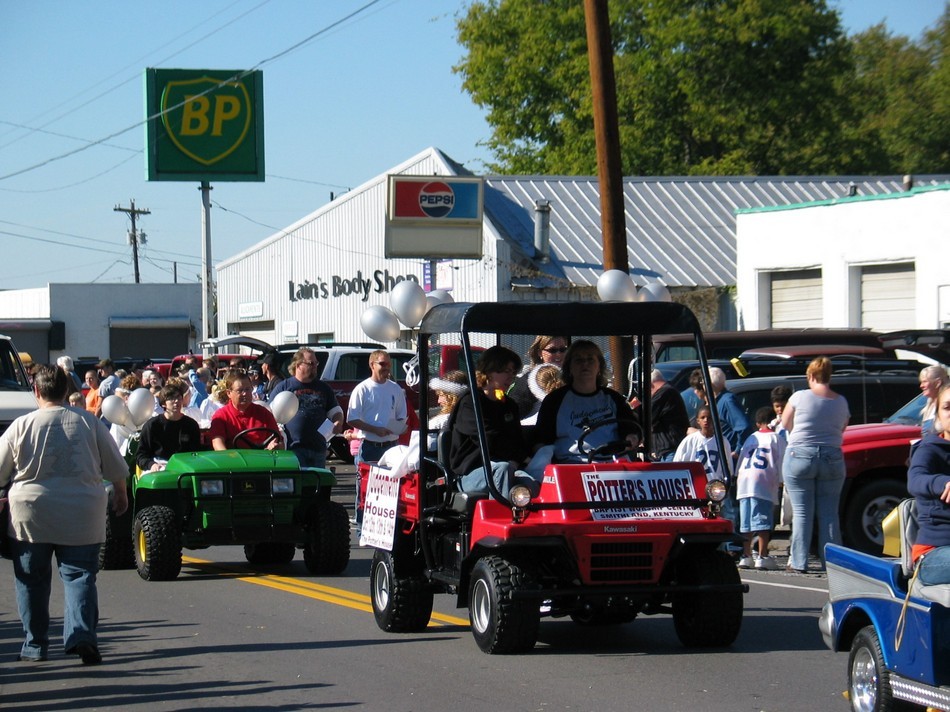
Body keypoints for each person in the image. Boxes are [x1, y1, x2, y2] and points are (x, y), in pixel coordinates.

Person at [0, 365, 129, 664]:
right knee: (80, 576)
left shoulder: (21, 425)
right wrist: (120, 493)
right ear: (67, 389)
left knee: (31, 580)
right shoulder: (89, 422)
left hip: (31, 515)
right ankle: (82, 636)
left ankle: (34, 645)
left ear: (36, 391)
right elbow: (114, 465)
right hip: (82, 511)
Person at [781, 356, 850, 574]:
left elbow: (785, 423)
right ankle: (832, 563)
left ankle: (799, 562)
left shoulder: (799, 397)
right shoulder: (841, 401)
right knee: (829, 513)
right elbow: (842, 428)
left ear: (810, 375)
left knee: (802, 513)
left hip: (800, 454)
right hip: (832, 456)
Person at [532, 340, 640, 470]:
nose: (585, 364)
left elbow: (632, 428)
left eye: (590, 359)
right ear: (569, 367)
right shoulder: (554, 401)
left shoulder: (613, 398)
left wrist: (632, 437)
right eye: (578, 360)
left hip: (613, 465)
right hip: (570, 467)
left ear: (599, 366)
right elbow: (540, 440)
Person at [448, 346, 537, 497]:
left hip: (507, 467)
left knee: (533, 485)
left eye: (513, 372)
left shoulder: (509, 405)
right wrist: (520, 458)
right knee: (502, 469)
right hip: (470, 474)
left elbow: (517, 440)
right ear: (488, 371)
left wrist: (518, 459)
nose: (511, 377)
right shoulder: (470, 403)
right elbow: (488, 438)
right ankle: (501, 518)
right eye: (506, 371)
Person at [346, 350, 409, 529]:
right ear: (372, 365)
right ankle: (362, 530)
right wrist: (375, 429)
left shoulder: (395, 389)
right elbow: (352, 418)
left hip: (391, 446)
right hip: (370, 446)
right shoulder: (363, 389)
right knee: (366, 491)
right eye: (382, 364)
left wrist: (395, 426)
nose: (386, 367)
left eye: (388, 364)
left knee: (390, 490)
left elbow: (402, 416)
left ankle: (384, 530)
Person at [270, 348, 344, 468]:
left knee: (317, 485)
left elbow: (336, 411)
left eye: (316, 363)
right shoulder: (284, 387)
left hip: (318, 449)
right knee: (298, 485)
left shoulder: (324, 388)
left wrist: (338, 422)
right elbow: (270, 413)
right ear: (298, 365)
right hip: (293, 449)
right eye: (311, 363)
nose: (315, 366)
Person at [906, 384, 950, 579]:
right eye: (948, 408)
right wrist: (944, 483)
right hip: (933, 552)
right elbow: (915, 480)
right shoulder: (929, 449)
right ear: (938, 414)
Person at [736, 406, 786, 570]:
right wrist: (781, 480)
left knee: (747, 522)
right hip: (763, 482)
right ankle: (763, 556)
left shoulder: (751, 438)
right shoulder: (776, 438)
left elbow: (741, 461)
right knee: (762, 520)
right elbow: (782, 462)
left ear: (758, 423)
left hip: (745, 482)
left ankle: (746, 555)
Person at [209, 371, 283, 450]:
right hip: (235, 460)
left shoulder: (263, 413)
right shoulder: (221, 416)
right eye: (240, 390)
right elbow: (217, 444)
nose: (245, 393)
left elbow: (279, 441)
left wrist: (275, 445)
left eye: (247, 389)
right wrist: (229, 459)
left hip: (262, 460)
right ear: (229, 393)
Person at [137, 384, 202, 471]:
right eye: (171, 398)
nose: (176, 401)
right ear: (163, 403)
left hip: (185, 466)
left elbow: (196, 452)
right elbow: (141, 455)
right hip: (159, 466)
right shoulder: (152, 425)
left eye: (179, 398)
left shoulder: (191, 425)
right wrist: (151, 465)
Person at [507, 335, 569, 418]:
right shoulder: (529, 380)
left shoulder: (573, 376)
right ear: (540, 353)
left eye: (562, 349)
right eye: (552, 350)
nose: (558, 354)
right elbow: (514, 411)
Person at [636, 369, 690, 460]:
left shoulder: (665, 393)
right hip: (665, 450)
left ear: (650, 385)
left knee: (668, 474)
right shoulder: (669, 392)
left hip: (670, 451)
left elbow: (646, 417)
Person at [673, 406, 733, 483]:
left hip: (715, 486)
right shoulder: (689, 441)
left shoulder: (722, 441)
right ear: (698, 421)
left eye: (709, 418)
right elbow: (677, 464)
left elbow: (729, 468)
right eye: (703, 417)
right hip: (695, 485)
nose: (706, 420)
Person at [709, 366, 753, 463]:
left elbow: (744, 427)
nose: (702, 386)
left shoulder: (727, 401)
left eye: (703, 383)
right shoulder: (718, 401)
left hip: (730, 457)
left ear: (710, 384)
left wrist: (738, 450)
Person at [919, 365, 950, 435]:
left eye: (925, 381)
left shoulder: (947, 403)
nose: (921, 386)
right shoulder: (929, 404)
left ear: (937, 383)